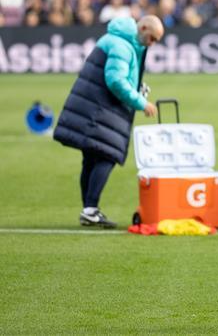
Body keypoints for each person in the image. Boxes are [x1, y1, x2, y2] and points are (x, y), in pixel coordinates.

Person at [53, 15, 164, 228]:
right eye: (152, 38)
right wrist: (141, 102)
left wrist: (137, 88)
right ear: (142, 28)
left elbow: (120, 76)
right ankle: (90, 209)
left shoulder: (119, 41)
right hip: (100, 109)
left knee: (92, 157)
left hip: (92, 106)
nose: (152, 44)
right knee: (106, 156)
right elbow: (115, 81)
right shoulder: (122, 46)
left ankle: (89, 210)